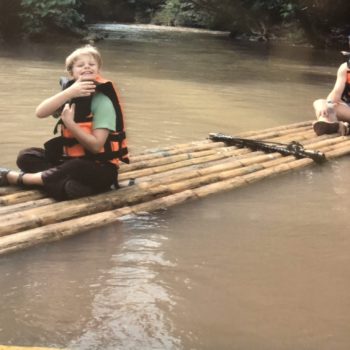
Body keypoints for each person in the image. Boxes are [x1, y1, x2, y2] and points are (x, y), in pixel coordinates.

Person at [0, 45, 129, 200]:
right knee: (26, 156)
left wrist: (71, 124)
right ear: (71, 73)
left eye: (92, 64)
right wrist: (69, 92)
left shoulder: (103, 101)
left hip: (99, 168)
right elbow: (40, 112)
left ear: (98, 70)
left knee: (76, 167)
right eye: (80, 65)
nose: (87, 66)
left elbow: (96, 146)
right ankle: (67, 186)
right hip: (69, 162)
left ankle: (19, 179)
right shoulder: (69, 95)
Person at [313, 50, 350, 136]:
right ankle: (329, 123)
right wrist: (328, 105)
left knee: (330, 108)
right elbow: (336, 93)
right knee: (319, 103)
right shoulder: (345, 68)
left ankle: (332, 123)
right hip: (347, 108)